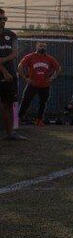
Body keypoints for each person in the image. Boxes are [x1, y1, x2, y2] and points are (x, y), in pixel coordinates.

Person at [17, 41, 60, 125]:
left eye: (44, 46)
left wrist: (52, 78)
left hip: (45, 85)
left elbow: (58, 68)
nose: (42, 48)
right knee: (26, 101)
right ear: (36, 46)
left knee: (43, 103)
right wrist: (25, 78)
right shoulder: (30, 57)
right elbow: (20, 67)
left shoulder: (50, 58)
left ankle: (39, 120)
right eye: (40, 46)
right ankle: (19, 118)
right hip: (32, 84)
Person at [0, 8, 24, 141]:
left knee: (10, 104)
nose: (3, 21)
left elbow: (15, 53)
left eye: (5, 19)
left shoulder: (12, 35)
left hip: (10, 74)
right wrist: (3, 70)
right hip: (5, 73)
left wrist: (2, 61)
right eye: (0, 19)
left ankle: (11, 132)